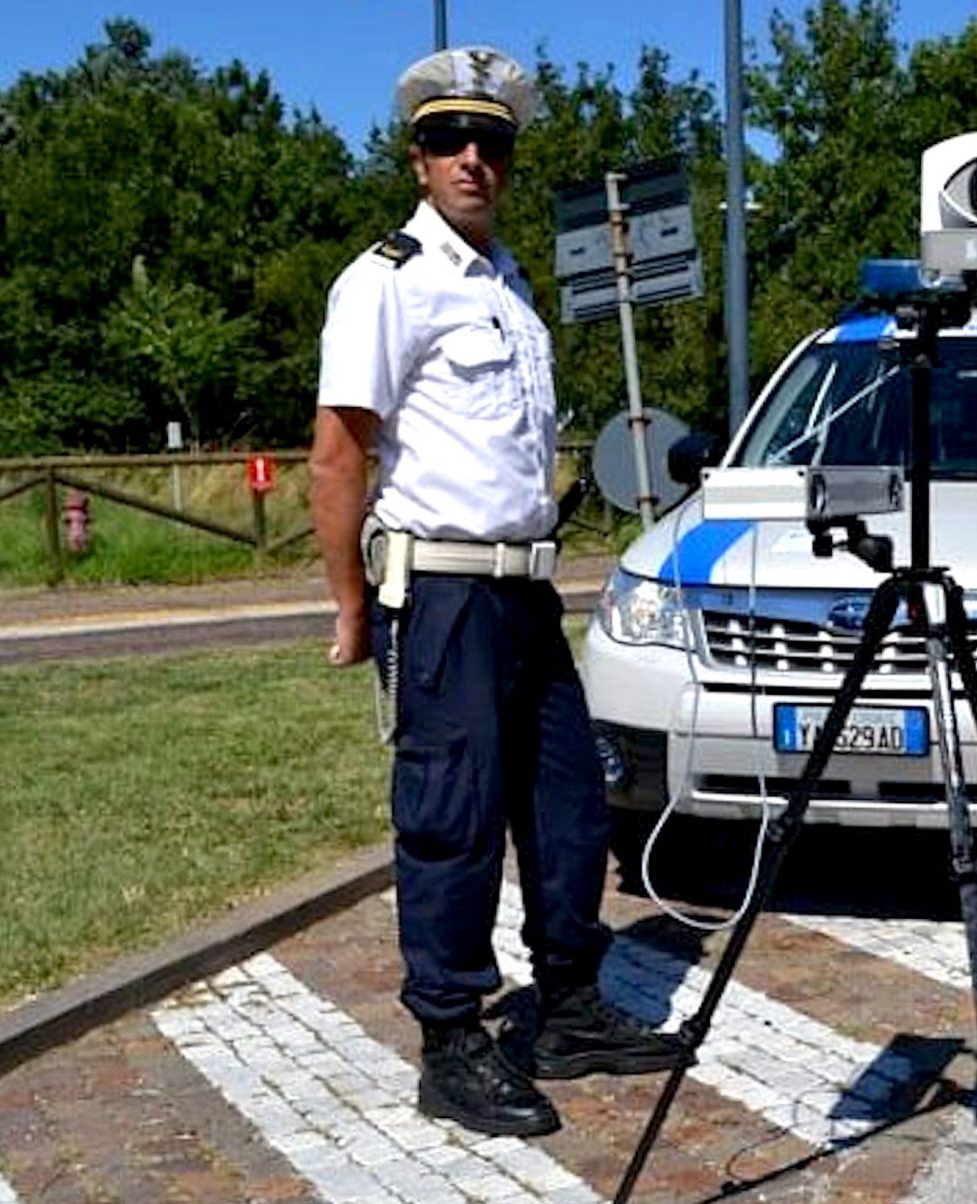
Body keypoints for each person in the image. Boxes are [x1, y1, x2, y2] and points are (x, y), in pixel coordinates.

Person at [309, 46, 688, 1137]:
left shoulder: (510, 283)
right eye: (448, 140)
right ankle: (451, 1037)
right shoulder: (385, 279)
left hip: (526, 593)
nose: (472, 158)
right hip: (441, 596)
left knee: (568, 808)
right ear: (417, 156)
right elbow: (339, 452)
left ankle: (567, 1002)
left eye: (492, 142)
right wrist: (347, 603)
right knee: (453, 820)